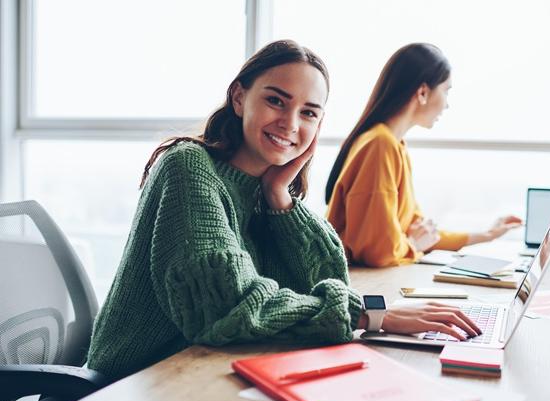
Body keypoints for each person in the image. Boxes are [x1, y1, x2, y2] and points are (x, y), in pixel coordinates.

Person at [87, 40, 481, 381]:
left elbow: (329, 279)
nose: (290, 123)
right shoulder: (190, 167)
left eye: (309, 112)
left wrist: (280, 196)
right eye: (276, 100)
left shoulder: (266, 189)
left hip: (207, 367)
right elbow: (226, 309)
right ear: (239, 98)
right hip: (137, 381)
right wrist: (371, 316)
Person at [325, 43, 522, 268]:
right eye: (446, 90)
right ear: (422, 92)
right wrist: (413, 244)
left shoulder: (394, 145)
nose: (447, 105)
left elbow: (420, 231)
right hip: (363, 283)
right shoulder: (380, 145)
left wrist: (488, 234)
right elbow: (380, 252)